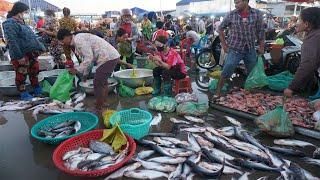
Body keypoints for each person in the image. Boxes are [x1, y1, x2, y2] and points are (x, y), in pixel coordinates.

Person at [57, 29, 121, 111]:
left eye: (62, 40)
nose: (63, 43)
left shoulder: (78, 40)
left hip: (108, 57)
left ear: (66, 37)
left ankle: (99, 106)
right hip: (109, 57)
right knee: (103, 81)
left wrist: (77, 70)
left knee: (97, 82)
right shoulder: (77, 39)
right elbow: (88, 59)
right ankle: (103, 102)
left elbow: (89, 58)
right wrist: (85, 74)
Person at [216, 0, 265, 96]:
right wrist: (224, 45)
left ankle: (250, 93)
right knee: (227, 69)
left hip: (250, 49)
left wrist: (261, 46)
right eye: (235, 3)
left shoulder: (257, 14)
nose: (236, 5)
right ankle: (217, 92)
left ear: (246, 1)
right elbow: (220, 28)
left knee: (252, 73)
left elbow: (261, 31)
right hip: (235, 49)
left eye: (238, 2)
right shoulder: (231, 14)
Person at [3, 2, 45, 100]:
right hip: (21, 55)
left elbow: (30, 37)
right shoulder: (9, 23)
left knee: (34, 71)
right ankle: (23, 93)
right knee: (21, 75)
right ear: (19, 11)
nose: (25, 14)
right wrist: (19, 56)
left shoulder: (21, 22)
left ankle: (36, 88)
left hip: (31, 53)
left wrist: (39, 48)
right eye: (25, 12)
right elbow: (12, 41)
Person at [284, 7, 320, 98]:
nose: (297, 23)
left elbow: (307, 65)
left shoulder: (313, 39)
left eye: (300, 20)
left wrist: (291, 87)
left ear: (307, 24)